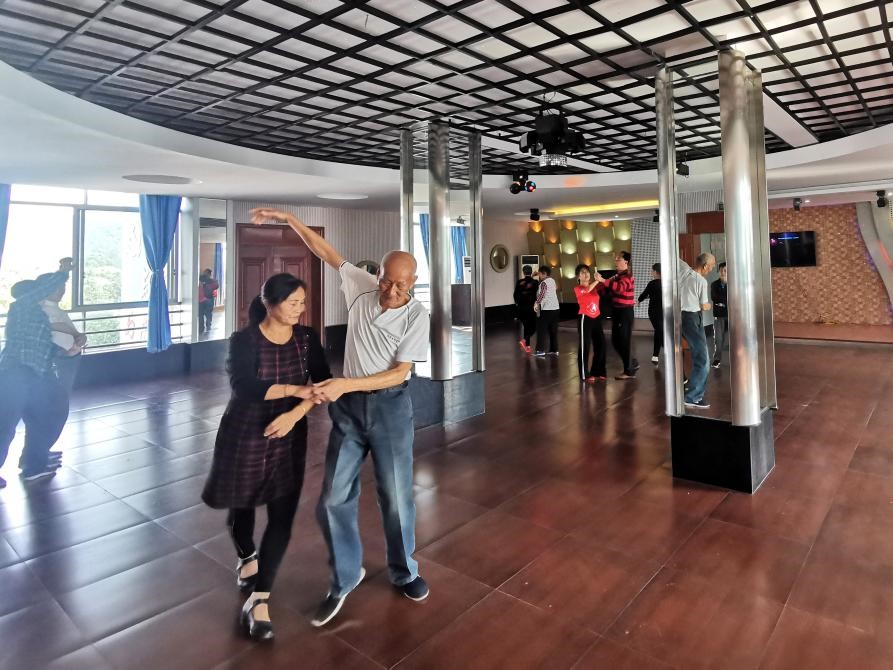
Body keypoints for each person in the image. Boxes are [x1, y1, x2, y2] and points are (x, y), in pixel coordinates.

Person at [249, 207, 431, 628]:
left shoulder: (416, 315)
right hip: (349, 411)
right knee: (332, 497)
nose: (389, 289)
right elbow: (326, 251)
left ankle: (405, 571)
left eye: (400, 284)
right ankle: (346, 576)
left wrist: (344, 384)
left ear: (413, 282)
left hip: (388, 407)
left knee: (396, 498)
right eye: (385, 279)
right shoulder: (364, 287)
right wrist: (289, 219)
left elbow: (400, 371)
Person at [202, 273, 330, 641]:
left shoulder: (307, 339)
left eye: (302, 303)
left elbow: (320, 382)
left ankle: (260, 598)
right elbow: (244, 386)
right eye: (292, 302)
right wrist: (293, 388)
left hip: (289, 431)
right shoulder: (244, 340)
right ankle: (245, 555)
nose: (299, 309)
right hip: (246, 430)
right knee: (243, 504)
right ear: (270, 303)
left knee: (282, 514)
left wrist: (293, 413)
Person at [0, 272, 71, 487]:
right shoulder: (21, 307)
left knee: (43, 418)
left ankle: (34, 463)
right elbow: (46, 287)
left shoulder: (36, 316)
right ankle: (33, 463)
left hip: (34, 375)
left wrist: (67, 349)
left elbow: (43, 345)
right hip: (15, 374)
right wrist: (64, 270)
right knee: (5, 425)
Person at [41, 258, 87, 392]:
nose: (61, 291)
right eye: (56, 288)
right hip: (54, 360)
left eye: (63, 287)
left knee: (61, 395)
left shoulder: (59, 310)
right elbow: (56, 326)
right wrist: (63, 271)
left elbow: (69, 332)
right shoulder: (39, 308)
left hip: (68, 358)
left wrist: (79, 340)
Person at [679, 253, 715, 408]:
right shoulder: (701, 281)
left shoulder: (684, 270)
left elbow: (675, 257)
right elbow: (703, 305)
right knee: (703, 359)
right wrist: (709, 305)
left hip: (678, 316)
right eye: (712, 266)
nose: (712, 268)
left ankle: (691, 387)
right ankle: (693, 397)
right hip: (692, 319)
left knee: (696, 354)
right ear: (705, 266)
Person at [602, 251, 638, 379]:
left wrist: (603, 280)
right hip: (617, 311)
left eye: (618, 259)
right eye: (616, 259)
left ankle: (629, 371)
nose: (616, 262)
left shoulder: (628, 275)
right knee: (616, 340)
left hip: (625, 312)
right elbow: (607, 285)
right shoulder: (617, 276)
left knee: (623, 340)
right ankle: (632, 363)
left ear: (626, 262)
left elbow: (619, 288)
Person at [574, 264, 606, 383]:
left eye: (587, 272)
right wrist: (597, 281)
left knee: (601, 345)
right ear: (578, 276)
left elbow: (606, 285)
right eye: (582, 272)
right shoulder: (578, 288)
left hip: (596, 318)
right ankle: (584, 374)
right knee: (585, 346)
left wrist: (601, 280)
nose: (586, 274)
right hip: (585, 318)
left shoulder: (595, 288)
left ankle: (598, 371)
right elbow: (587, 290)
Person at [638, 263, 663, 365]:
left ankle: (656, 356)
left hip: (654, 312)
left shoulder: (652, 284)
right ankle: (656, 355)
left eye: (652, 270)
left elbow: (644, 295)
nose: (651, 272)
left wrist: (639, 301)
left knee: (659, 331)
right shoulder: (668, 283)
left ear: (655, 272)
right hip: (665, 311)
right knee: (660, 331)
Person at [533, 265, 560, 357]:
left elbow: (542, 294)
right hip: (556, 308)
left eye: (540, 274)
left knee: (542, 330)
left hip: (547, 309)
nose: (539, 276)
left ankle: (540, 350)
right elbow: (555, 288)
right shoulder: (552, 281)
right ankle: (554, 349)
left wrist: (537, 303)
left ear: (543, 274)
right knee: (553, 330)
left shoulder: (544, 283)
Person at [513, 264, 539, 354]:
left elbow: (515, 294)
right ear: (531, 272)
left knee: (526, 327)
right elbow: (537, 293)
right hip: (530, 308)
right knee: (534, 326)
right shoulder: (535, 282)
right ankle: (524, 341)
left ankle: (527, 346)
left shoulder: (519, 282)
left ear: (523, 272)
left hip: (520, 308)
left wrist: (517, 304)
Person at [711, 262, 728, 368]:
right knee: (718, 338)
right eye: (721, 270)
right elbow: (715, 298)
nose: (723, 272)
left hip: (733, 315)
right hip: (719, 315)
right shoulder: (714, 284)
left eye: (725, 270)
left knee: (734, 338)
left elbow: (733, 298)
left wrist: (723, 302)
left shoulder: (734, 283)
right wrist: (725, 301)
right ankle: (717, 359)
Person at [198, 269, 220, 334]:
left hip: (208, 299)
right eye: (204, 273)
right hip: (202, 300)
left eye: (206, 273)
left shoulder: (212, 281)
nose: (205, 275)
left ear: (209, 274)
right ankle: (202, 328)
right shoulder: (200, 279)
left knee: (207, 314)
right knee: (201, 315)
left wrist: (205, 284)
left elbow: (216, 286)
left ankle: (207, 326)